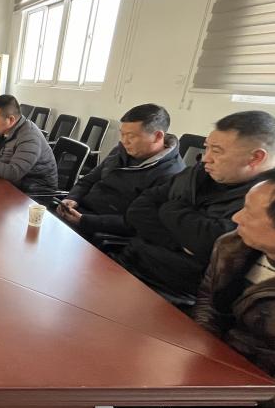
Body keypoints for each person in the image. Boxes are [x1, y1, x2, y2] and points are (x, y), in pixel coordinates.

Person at [73, 176, 275, 408]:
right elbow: (208, 303)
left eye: (250, 214)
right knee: (132, 373)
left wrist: (241, 384)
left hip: (266, 404)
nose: (236, 217)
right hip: (224, 367)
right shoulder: (233, 245)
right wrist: (201, 356)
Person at [115, 110, 275, 300]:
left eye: (217, 151)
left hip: (174, 293)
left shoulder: (263, 202)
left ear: (255, 157)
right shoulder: (196, 174)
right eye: (207, 148)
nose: (206, 158)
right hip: (130, 260)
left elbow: (210, 246)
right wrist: (180, 244)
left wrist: (168, 208)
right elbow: (137, 210)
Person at [56, 104, 185, 238]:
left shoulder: (171, 174)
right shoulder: (120, 151)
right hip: (79, 213)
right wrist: (72, 198)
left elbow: (137, 222)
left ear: (157, 136)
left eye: (131, 136)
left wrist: (84, 221)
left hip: (102, 231)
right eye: (122, 134)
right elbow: (89, 180)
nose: (124, 141)